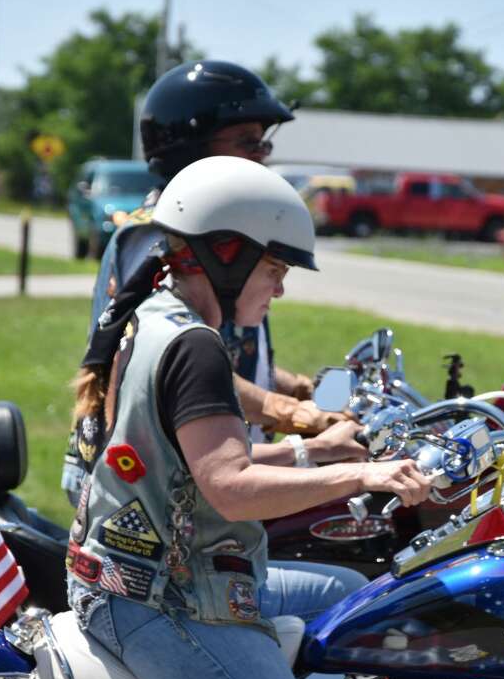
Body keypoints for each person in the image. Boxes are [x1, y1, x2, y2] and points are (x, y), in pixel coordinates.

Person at [66, 156, 433, 679]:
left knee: (353, 593)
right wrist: (364, 475)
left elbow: (194, 465)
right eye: (275, 271)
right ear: (226, 256)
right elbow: (231, 490)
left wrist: (315, 452)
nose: (279, 290)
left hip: (132, 579)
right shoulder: (197, 349)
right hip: (163, 600)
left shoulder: (156, 318)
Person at [63, 60, 340, 505]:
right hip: (151, 498)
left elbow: (225, 355)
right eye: (249, 142)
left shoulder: (217, 233)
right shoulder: (160, 235)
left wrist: (300, 388)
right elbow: (172, 366)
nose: (264, 156)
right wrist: (289, 414)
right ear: (190, 148)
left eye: (264, 144)